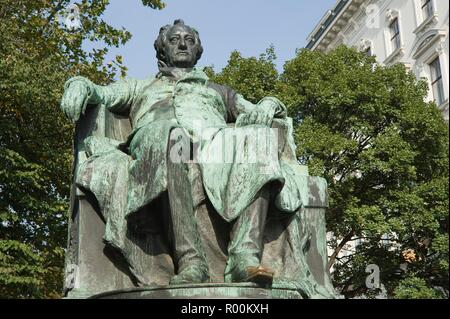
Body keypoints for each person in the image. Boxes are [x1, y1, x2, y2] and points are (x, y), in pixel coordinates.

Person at [61, 19, 304, 286]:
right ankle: (191, 261)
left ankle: (244, 256)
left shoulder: (218, 91)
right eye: (174, 39)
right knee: (173, 138)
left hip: (213, 144)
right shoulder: (139, 87)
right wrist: (79, 84)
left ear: (198, 51)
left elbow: (254, 109)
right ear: (162, 49)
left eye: (189, 40)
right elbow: (101, 93)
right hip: (161, 140)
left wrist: (270, 103)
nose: (182, 43)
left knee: (258, 137)